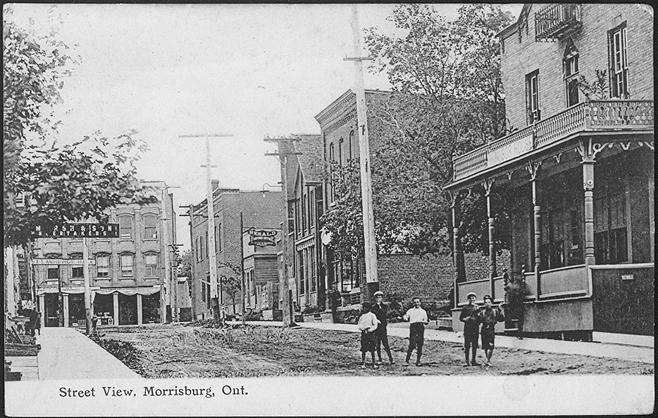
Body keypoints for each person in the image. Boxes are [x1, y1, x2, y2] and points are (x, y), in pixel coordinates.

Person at [478, 295, 504, 367]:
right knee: (485, 346)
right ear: (484, 304)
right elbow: (478, 321)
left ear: (491, 303)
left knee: (491, 346)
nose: (487, 304)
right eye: (486, 302)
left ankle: (488, 360)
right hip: (484, 330)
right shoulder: (482, 312)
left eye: (489, 302)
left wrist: (500, 309)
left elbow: (501, 319)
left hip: (491, 330)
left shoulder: (495, 312)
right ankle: (488, 360)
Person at [402, 297, 429, 366]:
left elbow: (426, 321)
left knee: (420, 344)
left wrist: (425, 322)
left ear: (420, 303)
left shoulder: (423, 311)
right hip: (413, 327)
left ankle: (418, 361)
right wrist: (404, 317)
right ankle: (407, 360)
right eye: (415, 302)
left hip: (420, 327)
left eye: (418, 302)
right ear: (413, 303)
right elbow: (406, 317)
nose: (416, 303)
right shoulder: (410, 310)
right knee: (412, 344)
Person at [371, 291, 394, 365]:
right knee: (377, 344)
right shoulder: (373, 307)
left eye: (380, 297)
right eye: (377, 297)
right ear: (375, 298)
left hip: (383, 328)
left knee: (386, 344)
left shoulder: (385, 306)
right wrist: (376, 320)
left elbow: (385, 314)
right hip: (376, 328)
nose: (379, 298)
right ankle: (380, 359)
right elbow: (372, 316)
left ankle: (391, 359)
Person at [460, 292, 481, 366]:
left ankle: (473, 360)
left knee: (475, 345)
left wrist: (478, 316)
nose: (472, 299)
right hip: (468, 328)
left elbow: (480, 319)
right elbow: (461, 318)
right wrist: (466, 319)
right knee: (467, 345)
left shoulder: (477, 307)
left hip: (475, 328)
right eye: (471, 298)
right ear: (468, 299)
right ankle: (467, 361)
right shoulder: (465, 308)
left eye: (474, 298)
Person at [357, 302, 380, 369]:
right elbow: (359, 325)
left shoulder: (372, 315)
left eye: (364, 307)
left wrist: (370, 330)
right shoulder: (362, 316)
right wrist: (363, 329)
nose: (363, 309)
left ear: (368, 308)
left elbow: (375, 325)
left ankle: (373, 364)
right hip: (364, 334)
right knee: (364, 349)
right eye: (363, 307)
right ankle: (363, 363)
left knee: (372, 349)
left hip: (371, 334)